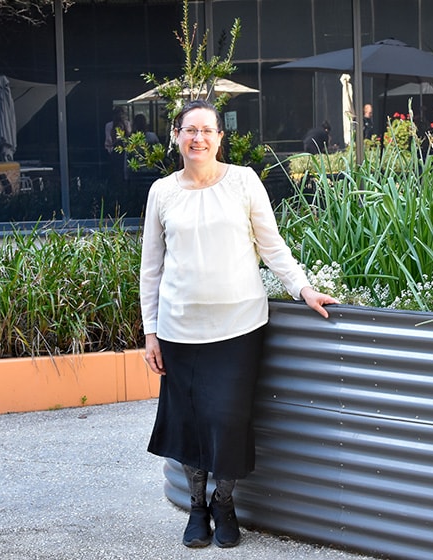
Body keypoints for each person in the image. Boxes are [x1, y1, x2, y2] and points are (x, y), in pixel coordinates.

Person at [140, 99, 338, 550]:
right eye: (190, 130)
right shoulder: (162, 192)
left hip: (239, 327)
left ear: (219, 137)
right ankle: (196, 508)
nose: (198, 138)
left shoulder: (244, 181)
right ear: (177, 136)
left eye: (207, 130)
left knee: (229, 420)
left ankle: (223, 503)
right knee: (189, 423)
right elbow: (151, 268)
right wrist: (150, 331)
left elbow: (272, 245)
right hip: (179, 330)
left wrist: (303, 288)